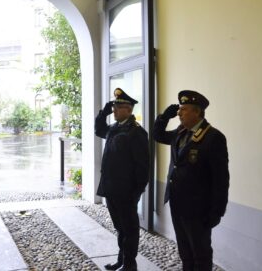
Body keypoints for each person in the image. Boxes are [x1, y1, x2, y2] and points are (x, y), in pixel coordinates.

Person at [153, 90, 229, 271]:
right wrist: (164, 117)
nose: (179, 112)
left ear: (197, 112)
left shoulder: (213, 137)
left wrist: (217, 211)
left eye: (183, 109)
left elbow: (221, 179)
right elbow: (158, 135)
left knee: (200, 253)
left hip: (198, 208)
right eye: (179, 109)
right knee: (184, 249)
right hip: (177, 203)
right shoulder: (181, 132)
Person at [95, 88, 150, 271]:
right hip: (111, 188)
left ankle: (130, 264)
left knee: (130, 229)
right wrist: (104, 112)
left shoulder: (136, 132)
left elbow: (143, 167)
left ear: (129, 109)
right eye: (114, 107)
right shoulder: (115, 128)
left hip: (126, 191)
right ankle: (121, 260)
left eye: (118, 107)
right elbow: (99, 129)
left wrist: (136, 192)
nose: (115, 110)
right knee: (120, 228)